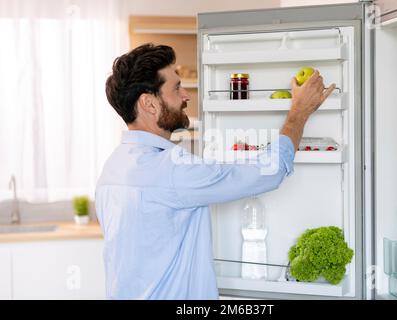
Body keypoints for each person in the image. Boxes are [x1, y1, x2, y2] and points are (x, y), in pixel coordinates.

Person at [96, 43, 335, 300]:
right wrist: (298, 112)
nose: (186, 96)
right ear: (149, 104)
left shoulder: (112, 168)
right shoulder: (171, 169)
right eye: (176, 88)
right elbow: (269, 171)